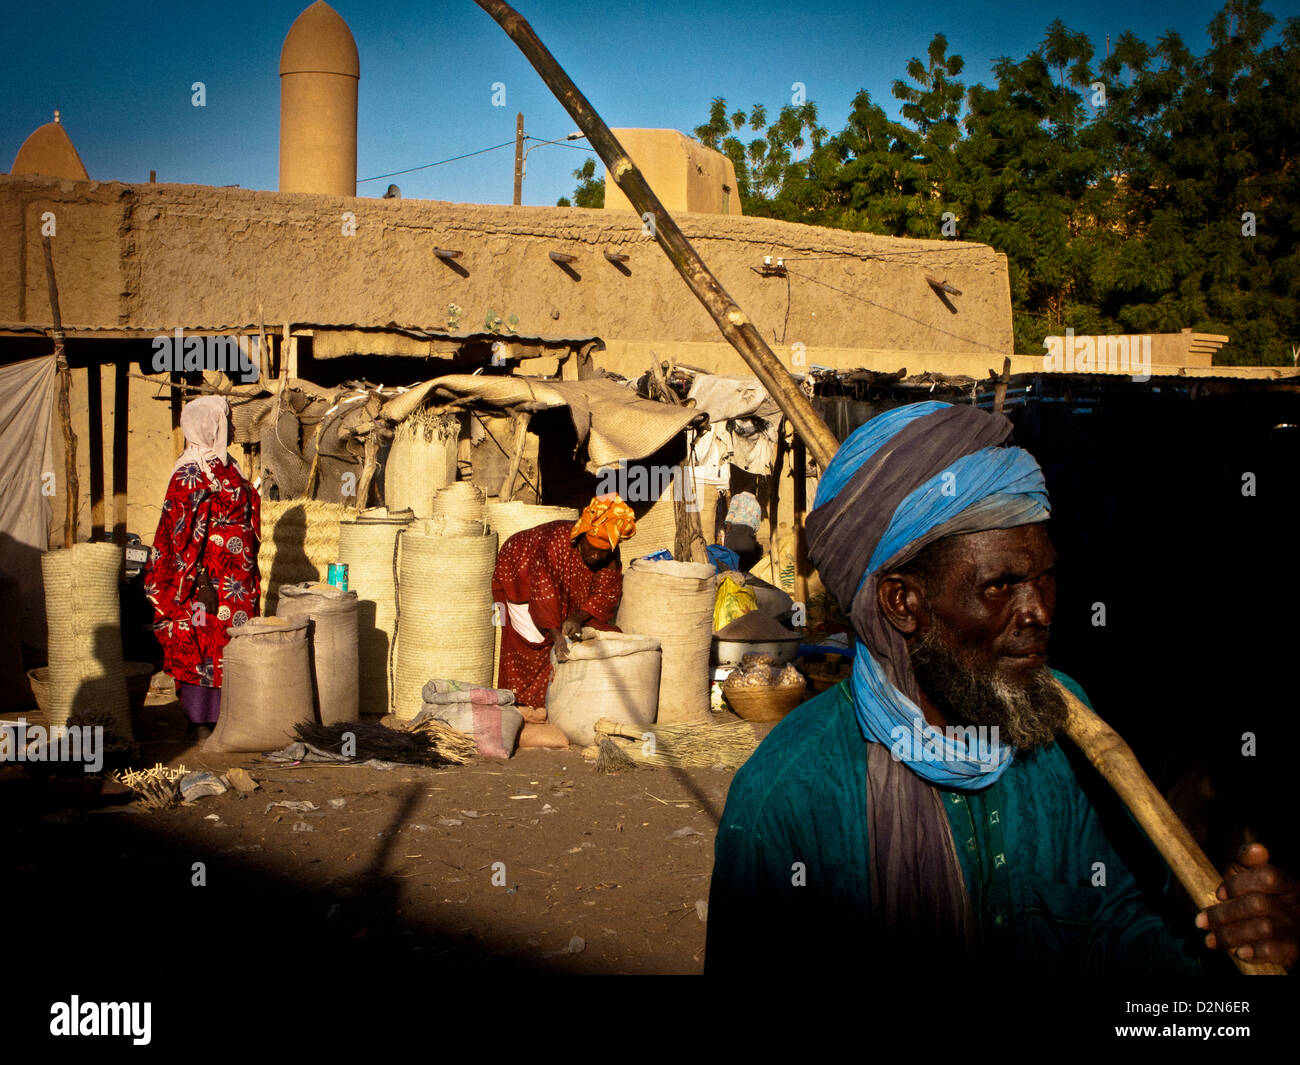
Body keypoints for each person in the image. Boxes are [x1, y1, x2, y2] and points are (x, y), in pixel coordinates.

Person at [705, 401, 1298, 976]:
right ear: (902, 602)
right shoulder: (786, 796)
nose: (1039, 611)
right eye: (1000, 586)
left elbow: (1114, 927)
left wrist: (1226, 948)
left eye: (1046, 578)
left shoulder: (1069, 725)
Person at [144, 395, 261, 741]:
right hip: (206, 581)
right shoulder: (189, 473)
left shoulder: (228, 466)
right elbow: (179, 535)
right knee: (201, 643)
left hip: (237, 580)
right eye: (227, 420)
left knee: (231, 645)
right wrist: (203, 582)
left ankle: (227, 718)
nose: (233, 426)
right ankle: (198, 720)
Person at [491, 495, 636, 707]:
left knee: (588, 634)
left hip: (555, 589)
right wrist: (557, 635)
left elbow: (606, 593)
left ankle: (556, 705)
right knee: (536, 644)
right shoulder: (552, 545)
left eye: (601, 552)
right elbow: (542, 593)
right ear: (580, 537)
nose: (595, 556)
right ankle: (521, 706)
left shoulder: (610, 555)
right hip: (520, 576)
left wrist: (577, 618)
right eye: (591, 548)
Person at [717, 490, 762, 573]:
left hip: (735, 530)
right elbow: (756, 526)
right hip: (748, 534)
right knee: (745, 566)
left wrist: (728, 534)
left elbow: (731, 515)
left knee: (730, 563)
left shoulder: (737, 497)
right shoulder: (757, 505)